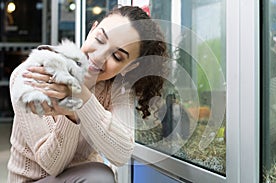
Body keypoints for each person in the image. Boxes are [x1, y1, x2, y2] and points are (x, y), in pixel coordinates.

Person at [7, 6, 168, 183]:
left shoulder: (118, 89)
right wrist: (71, 115)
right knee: (99, 177)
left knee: (100, 175)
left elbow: (121, 154)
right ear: (92, 30)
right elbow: (52, 165)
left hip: (83, 178)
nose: (99, 56)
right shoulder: (35, 72)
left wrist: (82, 98)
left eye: (116, 56)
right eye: (100, 39)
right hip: (34, 180)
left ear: (129, 67)